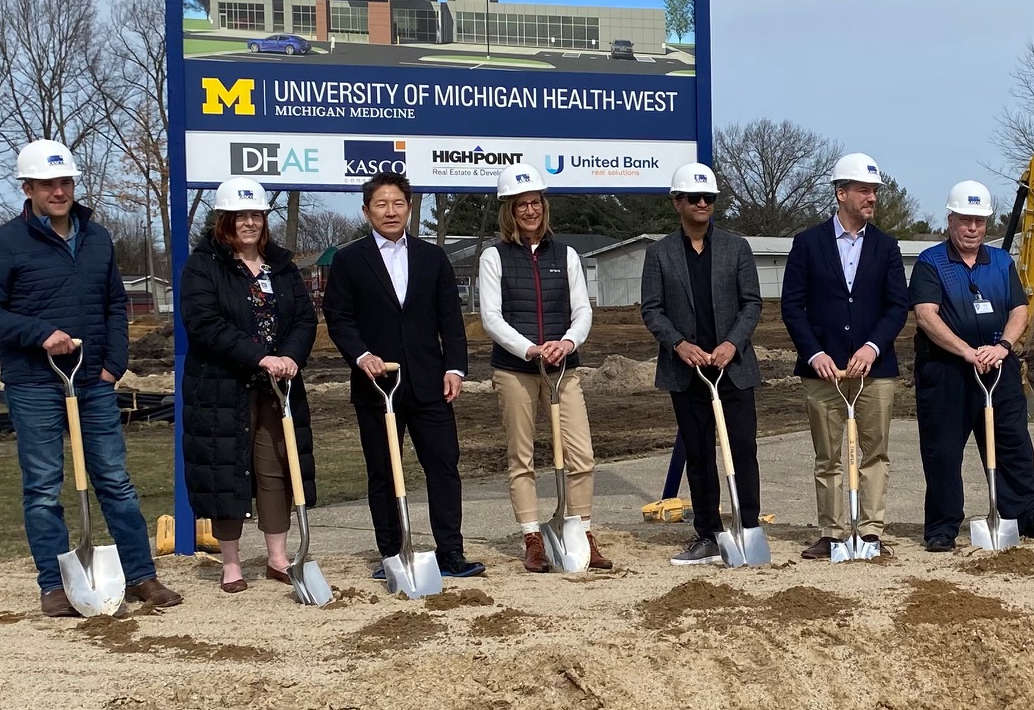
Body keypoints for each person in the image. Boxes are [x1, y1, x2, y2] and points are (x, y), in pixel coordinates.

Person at [0, 140, 181, 615]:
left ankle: (142, 576)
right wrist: (39, 333)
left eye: (66, 182)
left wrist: (113, 365)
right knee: (43, 486)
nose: (59, 192)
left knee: (116, 481)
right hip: (34, 383)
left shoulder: (97, 237)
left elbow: (113, 305)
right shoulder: (3, 244)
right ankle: (54, 585)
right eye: (48, 184)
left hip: (92, 381)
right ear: (28, 188)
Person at [322, 172, 485, 579]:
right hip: (377, 387)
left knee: (444, 467)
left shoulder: (432, 257)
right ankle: (392, 553)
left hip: (430, 384)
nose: (390, 211)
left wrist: (455, 367)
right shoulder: (348, 260)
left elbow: (451, 317)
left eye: (398, 203)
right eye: (381, 204)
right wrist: (361, 356)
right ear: (366, 211)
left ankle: (451, 552)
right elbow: (339, 318)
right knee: (382, 471)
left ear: (409, 208)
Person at [911, 181, 1034, 552]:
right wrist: (966, 351)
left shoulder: (1000, 262)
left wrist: (1002, 347)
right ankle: (942, 526)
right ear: (950, 219)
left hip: (998, 367)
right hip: (946, 371)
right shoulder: (931, 261)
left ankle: (1022, 514)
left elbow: (1019, 310)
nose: (972, 228)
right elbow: (926, 316)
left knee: (1013, 444)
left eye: (979, 222)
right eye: (965, 220)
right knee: (944, 450)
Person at [178, 177, 317, 592]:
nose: (249, 223)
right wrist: (259, 356)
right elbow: (204, 324)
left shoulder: (282, 265)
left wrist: (290, 356)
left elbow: (305, 319)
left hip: (278, 386)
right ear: (225, 220)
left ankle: (277, 557)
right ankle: (232, 564)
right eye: (241, 216)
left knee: (276, 468)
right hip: (221, 387)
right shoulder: (204, 265)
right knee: (227, 470)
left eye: (256, 215)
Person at [479, 162, 611, 571]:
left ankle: (580, 528)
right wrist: (529, 348)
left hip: (563, 369)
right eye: (522, 205)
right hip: (515, 369)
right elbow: (491, 317)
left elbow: (582, 310)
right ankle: (532, 536)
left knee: (581, 454)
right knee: (523, 456)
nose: (530, 211)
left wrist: (568, 342)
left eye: (535, 203)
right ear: (509, 211)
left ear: (543, 206)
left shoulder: (566, 254)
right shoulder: (494, 257)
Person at [782, 152, 908, 559]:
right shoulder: (807, 243)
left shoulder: (887, 248)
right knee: (828, 455)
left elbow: (896, 307)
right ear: (841, 193)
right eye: (864, 190)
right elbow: (792, 307)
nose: (872, 198)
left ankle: (870, 532)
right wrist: (814, 352)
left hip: (875, 371)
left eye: (874, 191)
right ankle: (832, 532)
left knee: (875, 452)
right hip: (824, 371)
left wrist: (873, 348)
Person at [640, 162, 765, 566]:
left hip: (734, 367)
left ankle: (748, 528)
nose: (702, 204)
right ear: (677, 202)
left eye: (708, 198)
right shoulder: (659, 253)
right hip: (687, 372)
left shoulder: (736, 247)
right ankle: (708, 534)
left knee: (743, 449)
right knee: (699, 454)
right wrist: (678, 344)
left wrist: (732, 342)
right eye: (693, 198)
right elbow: (652, 309)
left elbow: (752, 303)